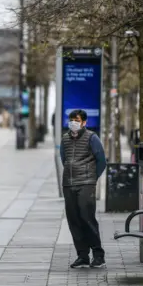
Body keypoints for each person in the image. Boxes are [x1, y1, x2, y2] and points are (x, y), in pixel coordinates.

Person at [60, 109, 107, 268]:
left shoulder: (92, 138)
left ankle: (98, 254)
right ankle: (82, 255)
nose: (73, 122)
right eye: (71, 119)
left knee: (87, 218)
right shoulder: (65, 139)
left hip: (86, 183)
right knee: (74, 219)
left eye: (77, 120)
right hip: (69, 184)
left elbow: (101, 160)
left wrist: (92, 178)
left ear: (84, 122)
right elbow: (64, 159)